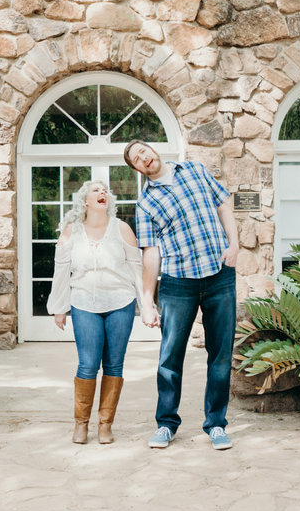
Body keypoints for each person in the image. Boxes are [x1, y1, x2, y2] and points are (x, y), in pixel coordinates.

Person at [124, 139, 239, 451]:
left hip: (219, 273)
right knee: (170, 356)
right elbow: (150, 253)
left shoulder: (194, 170)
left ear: (153, 150)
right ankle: (166, 424)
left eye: (143, 150)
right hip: (178, 282)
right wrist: (147, 302)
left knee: (220, 354)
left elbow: (223, 204)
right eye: (136, 158)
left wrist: (234, 245)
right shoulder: (145, 203)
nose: (144, 157)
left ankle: (216, 424)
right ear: (136, 169)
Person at [46, 180, 152, 444]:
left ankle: (105, 425)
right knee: (88, 364)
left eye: (105, 190)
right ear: (86, 201)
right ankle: (81, 424)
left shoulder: (122, 229)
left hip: (121, 302)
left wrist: (147, 306)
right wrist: (59, 308)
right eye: (96, 190)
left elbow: (137, 270)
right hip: (84, 303)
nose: (102, 192)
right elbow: (61, 272)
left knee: (114, 364)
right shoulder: (72, 231)